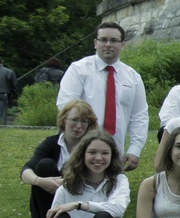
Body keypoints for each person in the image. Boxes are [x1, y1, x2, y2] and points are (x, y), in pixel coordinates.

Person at [57, 22, 148, 171]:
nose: (108, 45)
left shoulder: (133, 78)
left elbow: (139, 116)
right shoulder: (78, 70)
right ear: (95, 43)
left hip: (115, 150)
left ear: (122, 44)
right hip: (80, 146)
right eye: (103, 40)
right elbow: (66, 106)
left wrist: (135, 149)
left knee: (112, 185)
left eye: (114, 41)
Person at [21, 100, 97, 218]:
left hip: (78, 203)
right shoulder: (51, 143)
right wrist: (40, 181)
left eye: (84, 121)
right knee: (45, 165)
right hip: (48, 202)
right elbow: (26, 170)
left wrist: (65, 182)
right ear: (64, 120)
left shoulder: (92, 146)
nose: (79, 126)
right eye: (74, 120)